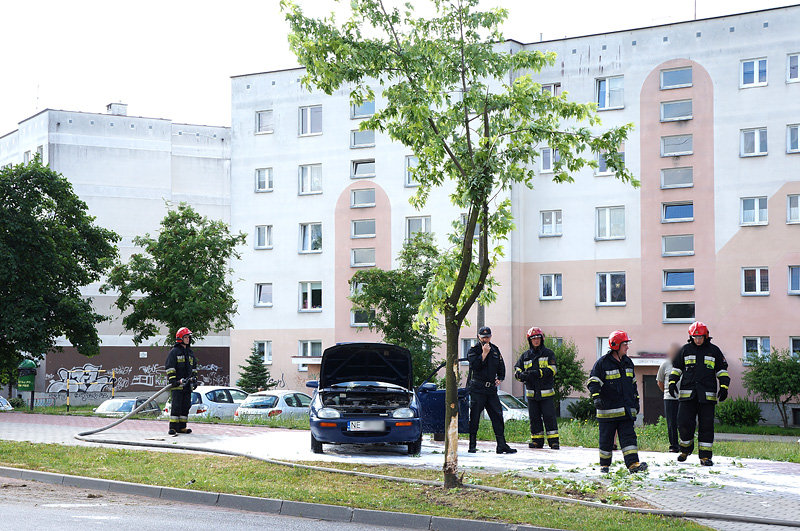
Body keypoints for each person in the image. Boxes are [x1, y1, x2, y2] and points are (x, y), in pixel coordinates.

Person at [668, 321, 730, 466]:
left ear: (706, 336)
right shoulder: (685, 350)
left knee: (706, 426)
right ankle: (685, 450)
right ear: (691, 337)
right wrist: (672, 383)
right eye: (695, 337)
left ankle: (705, 456)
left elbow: (722, 371)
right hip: (687, 396)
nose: (698, 340)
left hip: (706, 397)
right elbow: (676, 369)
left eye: (700, 337)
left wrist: (724, 386)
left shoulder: (714, 351)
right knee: (683, 423)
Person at [588, 330, 648, 474]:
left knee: (629, 439)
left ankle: (633, 465)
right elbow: (593, 382)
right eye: (625, 344)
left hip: (626, 411)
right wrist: (596, 397)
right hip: (607, 411)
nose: (627, 347)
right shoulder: (602, 363)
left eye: (627, 343)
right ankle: (604, 465)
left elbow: (633, 385)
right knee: (606, 440)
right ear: (616, 345)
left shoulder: (628, 362)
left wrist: (636, 401)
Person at [467, 326, 517, 454]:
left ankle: (501, 445)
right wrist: (483, 354)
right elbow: (474, 366)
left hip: (491, 390)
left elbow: (501, 365)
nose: (485, 339)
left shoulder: (495, 349)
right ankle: (472, 445)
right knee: (475, 417)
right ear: (479, 337)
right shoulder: (474, 350)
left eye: (488, 337)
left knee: (497, 416)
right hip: (478, 388)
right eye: (483, 337)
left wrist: (500, 377)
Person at [514, 326, 559, 449]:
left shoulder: (549, 353)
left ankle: (554, 442)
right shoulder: (525, 356)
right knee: (534, 419)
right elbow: (517, 369)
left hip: (546, 394)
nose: (536, 340)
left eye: (538, 338)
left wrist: (537, 373)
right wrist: (521, 375)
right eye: (533, 338)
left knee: (549, 418)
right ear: (530, 340)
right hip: (532, 394)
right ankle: (537, 441)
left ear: (542, 339)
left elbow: (553, 369)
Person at [165, 327, 198, 435]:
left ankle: (182, 427)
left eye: (189, 337)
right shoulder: (174, 352)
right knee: (176, 406)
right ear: (180, 338)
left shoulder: (190, 353)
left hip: (187, 385)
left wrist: (194, 379)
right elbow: (170, 367)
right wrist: (174, 380)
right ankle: (173, 427)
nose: (188, 339)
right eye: (186, 337)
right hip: (177, 385)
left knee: (186, 406)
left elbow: (194, 368)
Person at [657, 343, 682, 453]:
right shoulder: (665, 364)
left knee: (683, 422)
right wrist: (667, 392)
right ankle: (674, 446)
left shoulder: (684, 364)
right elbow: (660, 382)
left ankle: (684, 445)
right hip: (669, 398)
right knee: (671, 423)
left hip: (683, 398)